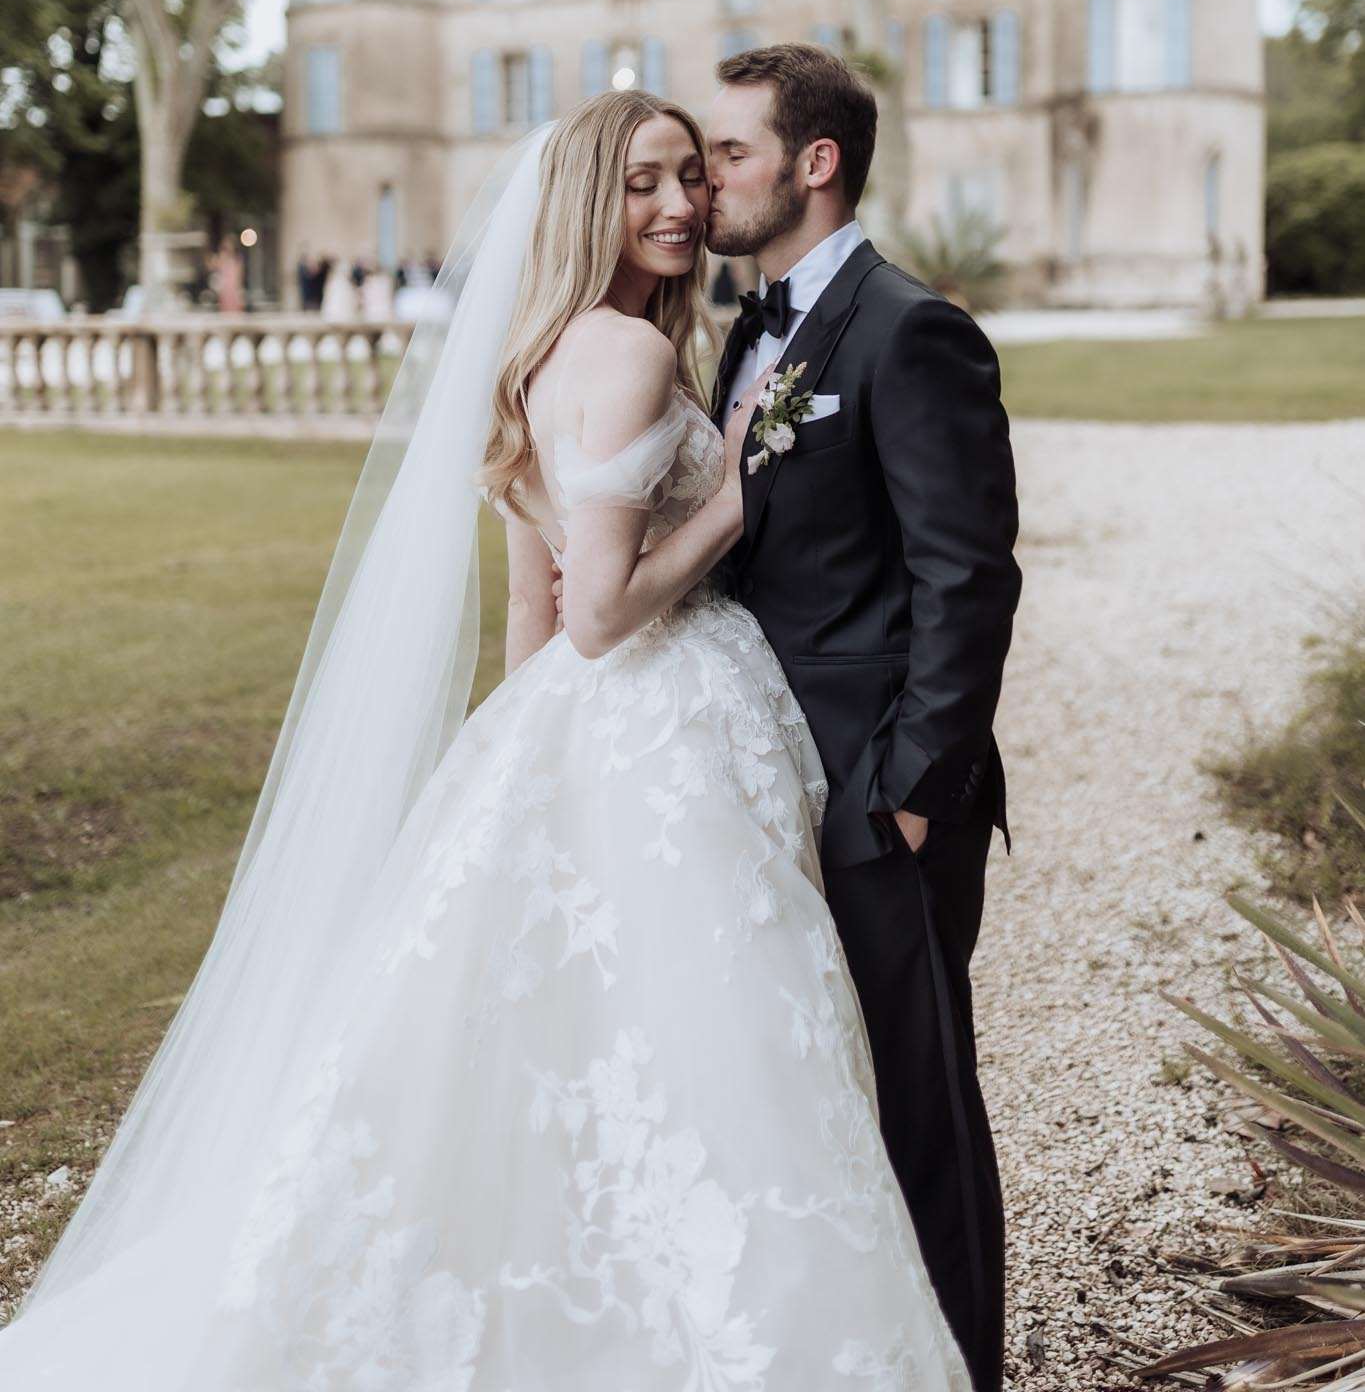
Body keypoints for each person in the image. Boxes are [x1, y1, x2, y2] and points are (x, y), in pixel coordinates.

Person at [0, 90, 971, 1391]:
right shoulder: (625, 357)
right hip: (656, 723)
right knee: (705, 1058)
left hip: (584, 743)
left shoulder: (538, 357)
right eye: (644, 182)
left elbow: (533, 623)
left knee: (557, 1052)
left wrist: (532, 788)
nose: (681, 204)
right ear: (585, 202)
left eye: (692, 174)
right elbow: (604, 616)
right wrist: (739, 489)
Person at [706, 44, 1022, 1392]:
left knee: (917, 1108)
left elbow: (967, 574)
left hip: (872, 800)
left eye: (727, 152)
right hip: (759, 777)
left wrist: (905, 793)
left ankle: (963, 1368)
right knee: (811, 1107)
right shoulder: (750, 324)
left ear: (811, 161)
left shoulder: (908, 330)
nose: (703, 182)